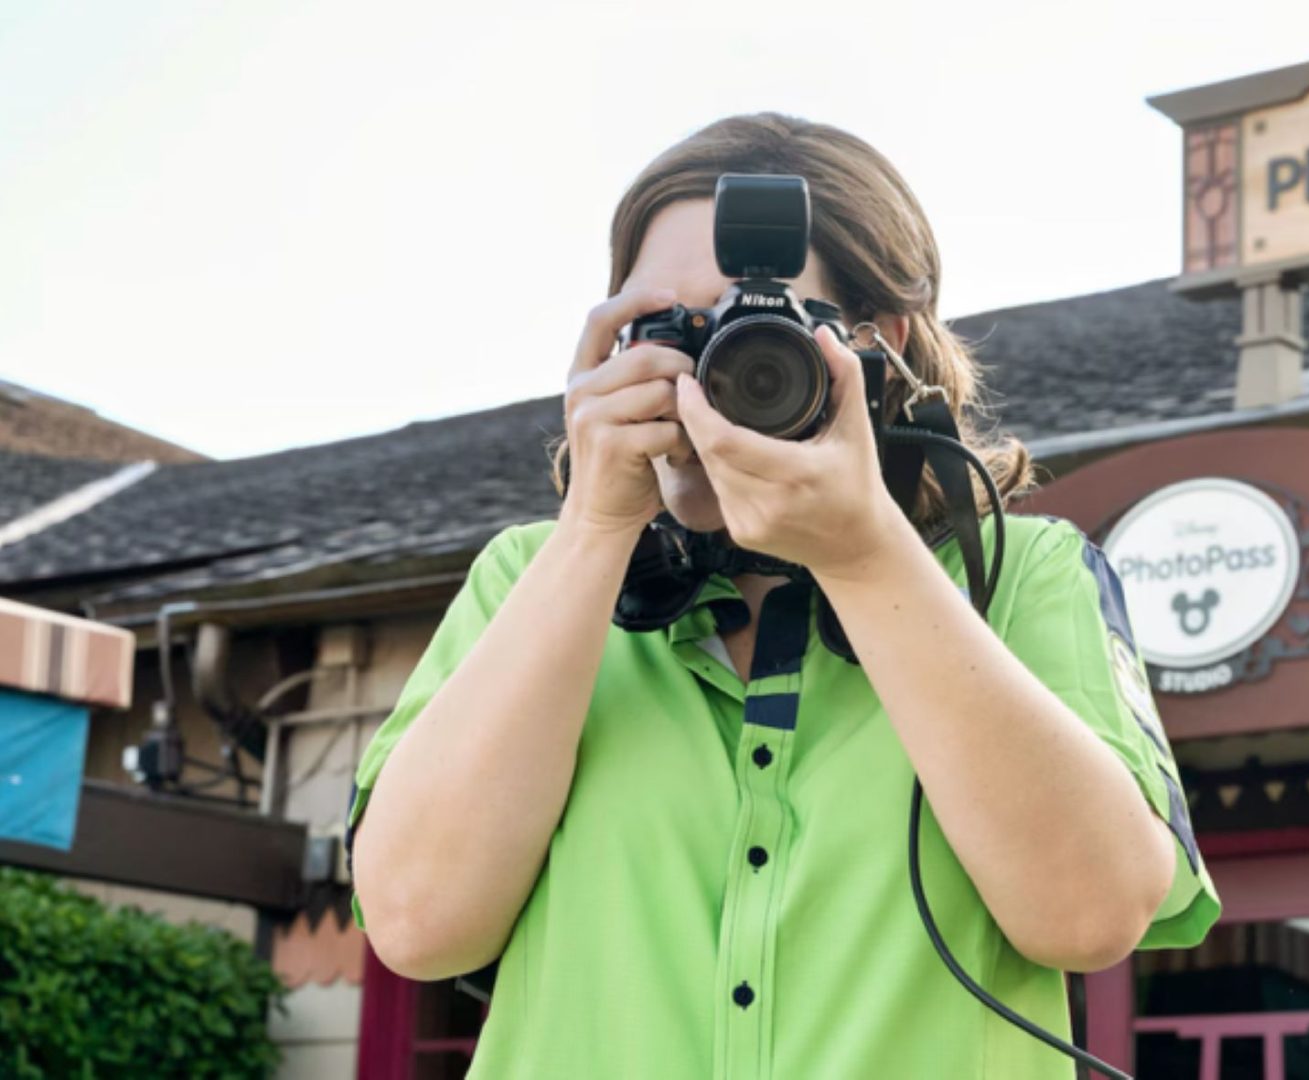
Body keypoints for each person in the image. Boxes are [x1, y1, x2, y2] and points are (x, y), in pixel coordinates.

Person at [344, 111, 1219, 1078]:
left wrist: (864, 557)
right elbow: (419, 926)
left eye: (753, 328)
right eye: (668, 330)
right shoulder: (525, 580)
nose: (707, 378)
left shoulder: (1021, 577)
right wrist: (595, 531)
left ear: (877, 348)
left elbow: (1091, 917)